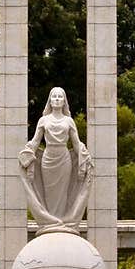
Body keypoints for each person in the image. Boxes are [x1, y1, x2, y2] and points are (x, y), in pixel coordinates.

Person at [18, 86, 94, 230]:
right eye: (54, 96)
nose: (57, 99)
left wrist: (85, 157)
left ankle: (62, 224)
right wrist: (26, 154)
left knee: (63, 194)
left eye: (60, 97)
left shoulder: (69, 121)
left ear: (64, 101)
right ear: (50, 101)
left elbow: (76, 144)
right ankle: (50, 223)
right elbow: (35, 142)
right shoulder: (43, 120)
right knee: (49, 194)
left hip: (64, 160)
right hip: (48, 160)